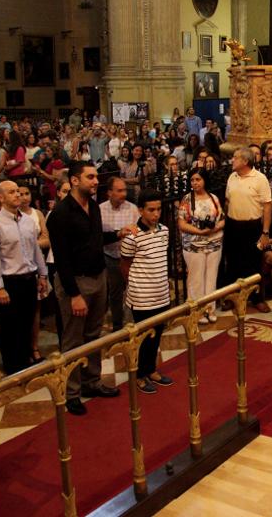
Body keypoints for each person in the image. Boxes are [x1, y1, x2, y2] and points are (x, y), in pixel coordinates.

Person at [47, 162, 133, 416]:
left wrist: (118, 233)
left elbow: (95, 241)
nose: (96, 181)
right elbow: (61, 259)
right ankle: (71, 392)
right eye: (90, 177)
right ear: (75, 180)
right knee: (74, 339)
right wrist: (74, 294)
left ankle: (92, 381)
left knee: (94, 333)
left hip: (98, 276)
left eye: (96, 177)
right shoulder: (61, 213)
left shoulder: (93, 206)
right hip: (76, 281)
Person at [0, 180, 49, 375]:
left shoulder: (27, 220)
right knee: (11, 326)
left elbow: (35, 249)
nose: (17, 195)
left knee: (27, 322)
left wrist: (42, 274)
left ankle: (25, 361)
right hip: (9, 282)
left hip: (28, 278)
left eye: (18, 192)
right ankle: (13, 367)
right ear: (0, 197)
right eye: (12, 192)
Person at [120, 189, 175, 394]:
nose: (156, 214)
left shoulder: (164, 230)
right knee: (142, 338)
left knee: (156, 335)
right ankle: (139, 375)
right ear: (140, 210)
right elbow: (125, 264)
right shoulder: (132, 236)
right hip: (142, 296)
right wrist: (134, 285)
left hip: (160, 293)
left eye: (159, 209)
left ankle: (151, 369)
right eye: (151, 210)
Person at [222, 147, 272, 313]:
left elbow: (267, 207)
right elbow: (228, 201)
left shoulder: (260, 179)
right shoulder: (232, 177)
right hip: (232, 225)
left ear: (245, 161)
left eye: (235, 157)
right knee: (232, 263)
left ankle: (256, 299)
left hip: (252, 227)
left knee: (253, 263)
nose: (232, 160)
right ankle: (232, 297)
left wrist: (265, 232)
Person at [177, 168, 225, 324]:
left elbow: (222, 219)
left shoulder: (213, 198)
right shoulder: (187, 199)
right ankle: (197, 311)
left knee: (211, 277)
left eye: (198, 179)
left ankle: (210, 309)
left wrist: (214, 228)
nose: (195, 183)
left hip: (214, 243)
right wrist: (199, 231)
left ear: (204, 180)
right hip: (194, 244)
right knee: (196, 279)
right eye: (192, 180)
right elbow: (181, 223)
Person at [100, 176, 140, 331]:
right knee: (115, 294)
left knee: (133, 290)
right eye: (119, 190)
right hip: (111, 256)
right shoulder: (100, 210)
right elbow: (99, 236)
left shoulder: (132, 208)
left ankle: (133, 324)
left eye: (124, 190)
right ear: (109, 192)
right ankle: (117, 327)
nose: (124, 193)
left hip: (130, 257)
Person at [18, 183, 50, 363]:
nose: (24, 197)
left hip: (37, 262)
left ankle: (35, 346)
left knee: (36, 308)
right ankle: (22, 348)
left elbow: (46, 239)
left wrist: (31, 243)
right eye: (20, 193)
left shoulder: (37, 214)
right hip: (19, 266)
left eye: (27, 193)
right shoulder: (13, 216)